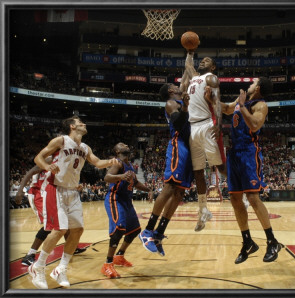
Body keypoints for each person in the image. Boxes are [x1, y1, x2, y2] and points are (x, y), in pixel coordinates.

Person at [28, 116, 118, 289]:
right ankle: (37, 267)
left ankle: (61, 268)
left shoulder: (85, 147)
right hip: (55, 188)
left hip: (72, 191)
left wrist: (111, 161)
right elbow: (38, 157)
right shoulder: (61, 140)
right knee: (60, 229)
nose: (84, 124)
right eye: (80, 122)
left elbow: (97, 162)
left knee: (77, 230)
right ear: (72, 126)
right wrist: (47, 167)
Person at [218, 78, 282, 264]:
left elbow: (255, 124)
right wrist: (211, 99)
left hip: (248, 152)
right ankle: (247, 241)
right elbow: (226, 109)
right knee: (235, 198)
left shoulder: (261, 105)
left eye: (253, 83)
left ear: (258, 88)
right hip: (234, 153)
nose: (250, 84)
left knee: (253, 197)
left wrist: (242, 105)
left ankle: (272, 241)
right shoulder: (242, 102)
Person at [139, 82, 193, 257]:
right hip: (179, 146)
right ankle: (147, 231)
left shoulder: (183, 100)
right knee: (170, 187)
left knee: (180, 193)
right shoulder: (171, 103)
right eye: (174, 85)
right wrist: (185, 107)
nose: (178, 85)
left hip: (190, 148)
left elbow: (186, 78)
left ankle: (158, 233)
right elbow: (178, 124)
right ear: (171, 91)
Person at [15, 159, 86, 266]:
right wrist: (20, 191)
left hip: (50, 193)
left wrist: (75, 186)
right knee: (50, 225)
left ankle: (72, 247)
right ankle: (30, 255)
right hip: (38, 193)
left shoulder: (65, 157)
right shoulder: (49, 158)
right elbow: (30, 172)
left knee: (65, 220)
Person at [184, 50, 226, 231]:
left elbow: (216, 102)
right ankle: (203, 210)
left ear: (213, 66)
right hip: (192, 127)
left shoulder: (212, 78)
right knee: (198, 172)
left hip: (207, 125)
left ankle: (244, 194)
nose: (203, 61)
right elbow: (188, 66)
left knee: (221, 166)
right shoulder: (194, 77)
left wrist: (219, 124)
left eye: (207, 60)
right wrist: (190, 52)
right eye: (202, 60)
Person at [101, 142, 153, 279]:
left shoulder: (129, 165)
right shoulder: (117, 163)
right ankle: (107, 264)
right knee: (119, 229)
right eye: (121, 144)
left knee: (134, 230)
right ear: (117, 151)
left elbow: (135, 183)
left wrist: (149, 190)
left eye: (126, 143)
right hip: (115, 199)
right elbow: (107, 177)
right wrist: (120, 177)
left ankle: (119, 256)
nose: (125, 144)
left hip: (126, 201)